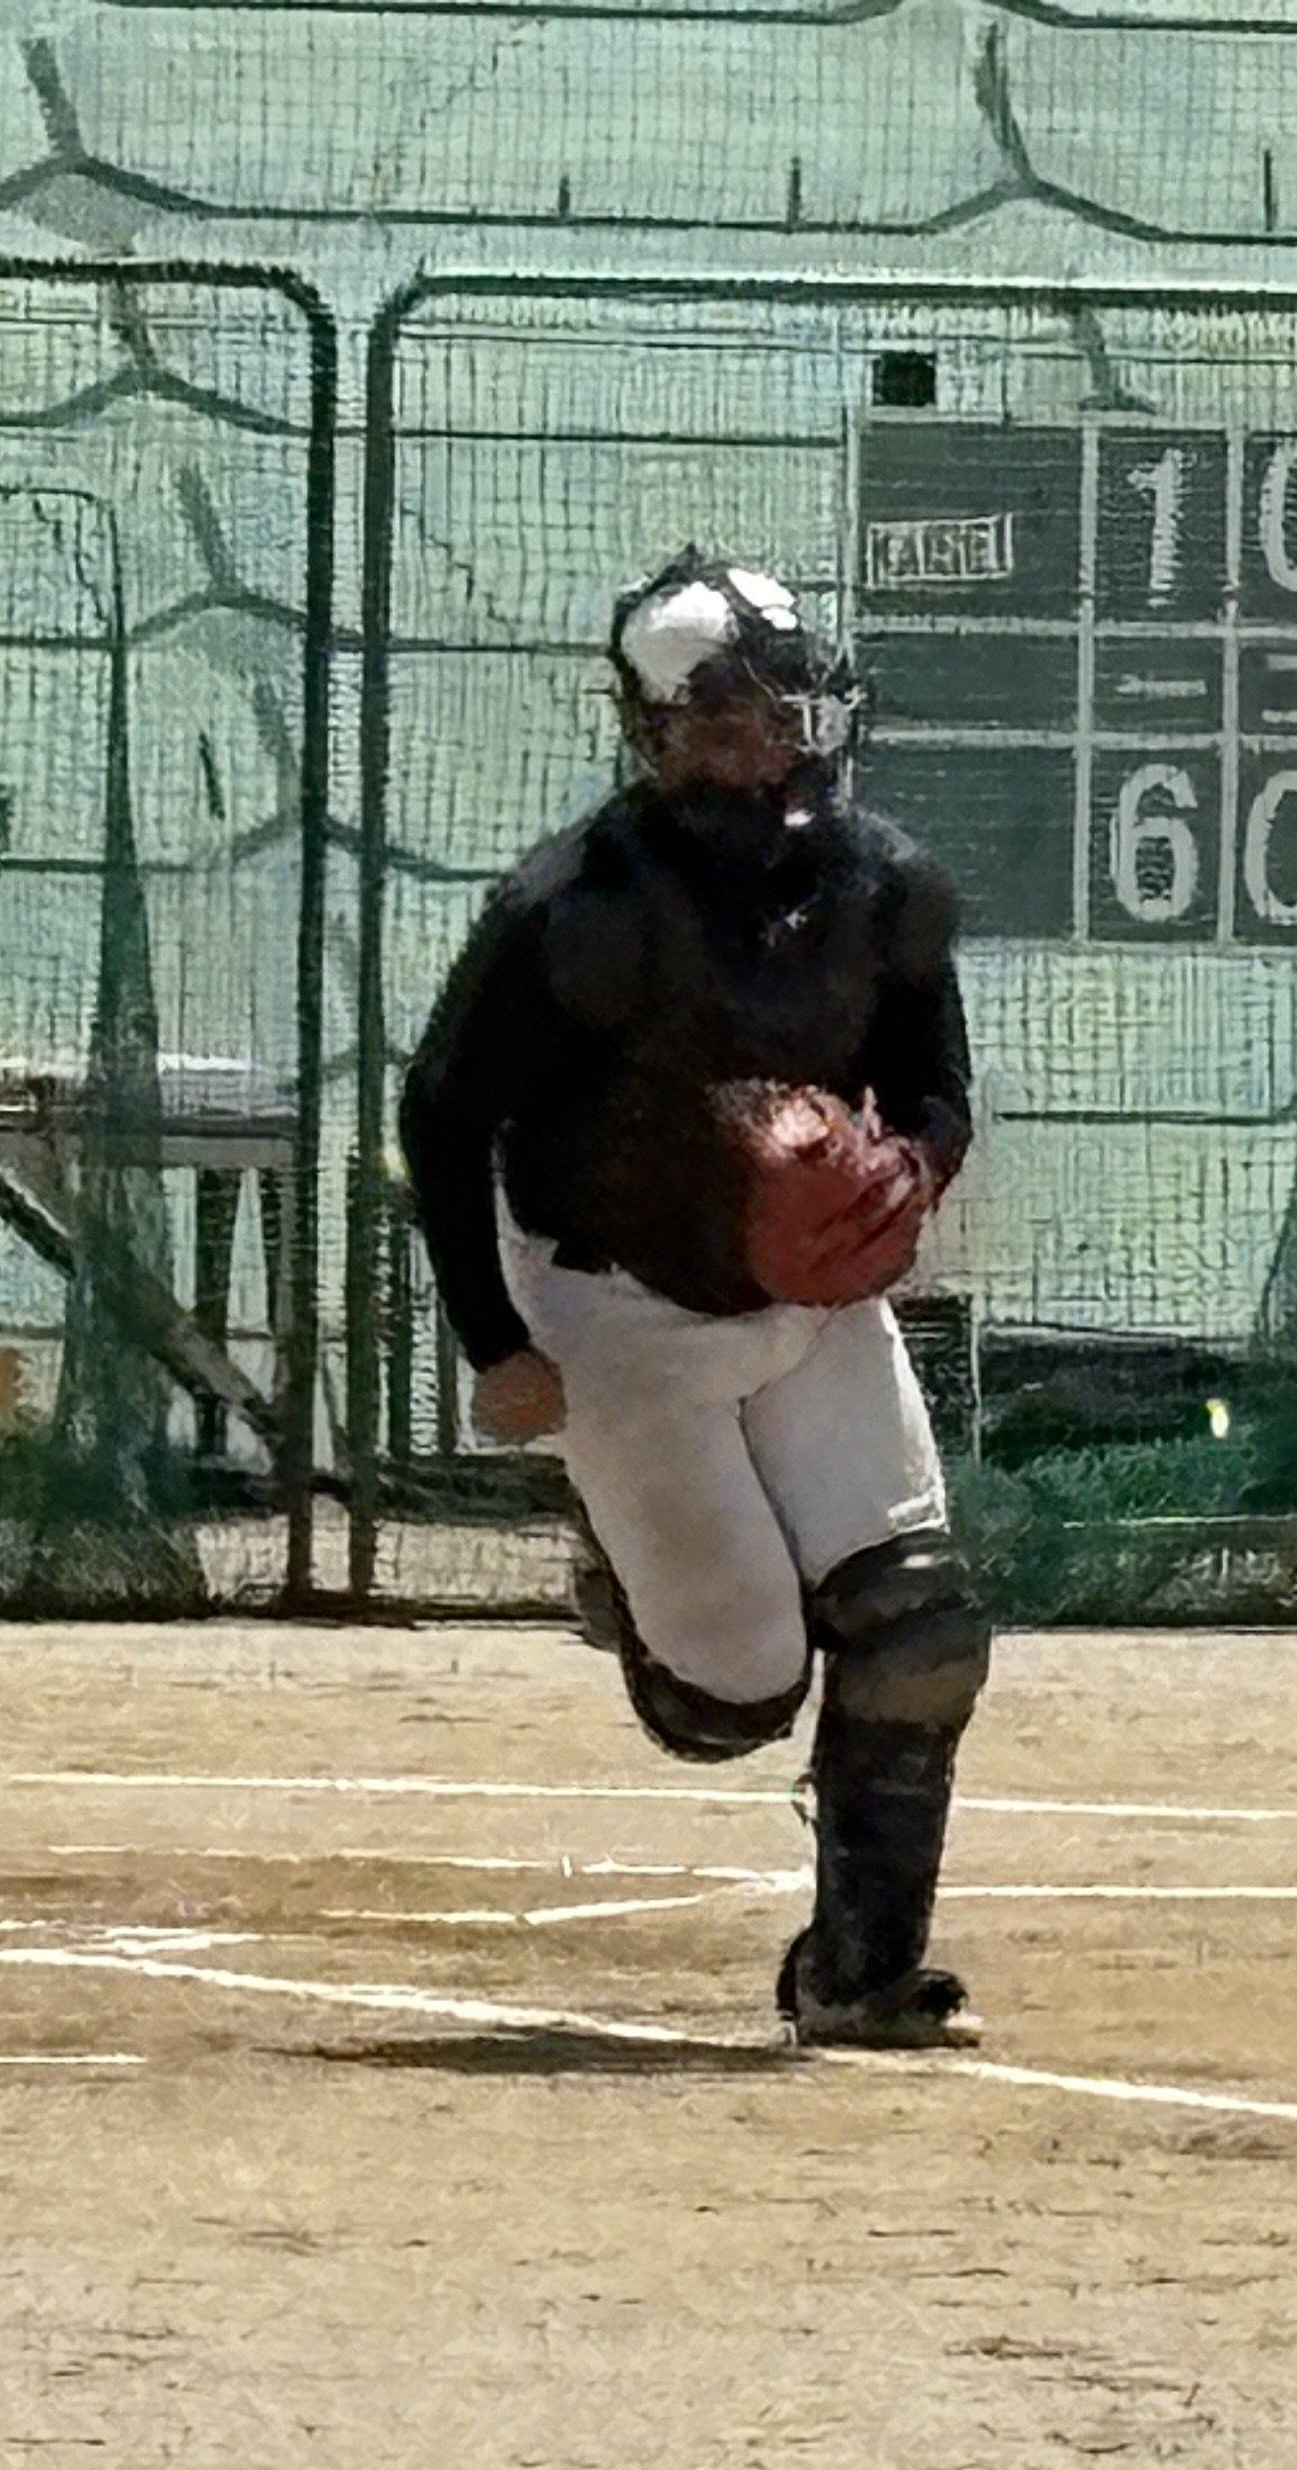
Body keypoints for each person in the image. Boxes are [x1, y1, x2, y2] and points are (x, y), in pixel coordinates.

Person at [399, 551, 992, 2051]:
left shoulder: (887, 886)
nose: (763, 745)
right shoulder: (569, 910)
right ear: (655, 737)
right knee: (731, 1700)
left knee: (919, 1631)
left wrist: (906, 1172)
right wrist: (495, 1340)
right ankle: (623, 1570)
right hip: (619, 1310)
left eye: (784, 714)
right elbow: (442, 1115)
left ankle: (858, 1977)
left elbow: (933, 1086)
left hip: (804, 1308)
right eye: (724, 722)